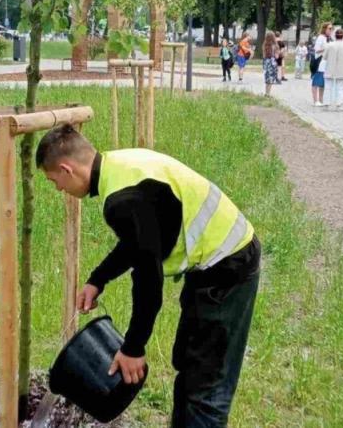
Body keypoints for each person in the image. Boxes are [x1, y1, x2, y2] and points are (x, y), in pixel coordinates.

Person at [36, 127, 261, 427]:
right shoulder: (120, 166)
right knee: (190, 367)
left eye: (55, 181)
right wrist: (98, 279)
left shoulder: (123, 200)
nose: (59, 190)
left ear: (66, 168)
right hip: (212, 264)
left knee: (207, 388)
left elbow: (148, 281)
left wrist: (132, 348)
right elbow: (141, 243)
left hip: (227, 268)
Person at [323, 28, 343, 111]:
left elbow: (324, 57)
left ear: (335, 36)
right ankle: (339, 105)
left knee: (328, 87)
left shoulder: (329, 45)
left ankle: (326, 104)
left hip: (330, 68)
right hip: (342, 68)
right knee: (340, 88)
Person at [312, 22, 333, 107]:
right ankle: (315, 100)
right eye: (329, 28)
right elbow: (316, 50)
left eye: (332, 29)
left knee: (323, 82)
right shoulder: (320, 38)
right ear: (325, 29)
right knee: (316, 81)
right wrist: (326, 48)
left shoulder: (329, 38)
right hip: (319, 61)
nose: (331, 30)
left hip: (326, 62)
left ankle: (321, 99)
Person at [263, 31, 278, 96]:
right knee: (271, 78)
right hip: (272, 62)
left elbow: (264, 55)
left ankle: (266, 93)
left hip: (266, 62)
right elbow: (276, 56)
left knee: (267, 78)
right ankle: (268, 93)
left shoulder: (264, 44)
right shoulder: (275, 45)